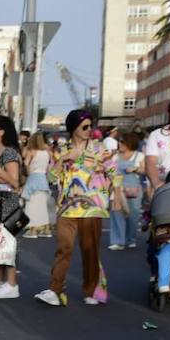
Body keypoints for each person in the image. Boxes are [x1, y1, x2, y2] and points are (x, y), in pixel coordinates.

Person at [36, 109, 118, 307]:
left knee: (90, 250)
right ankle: (55, 290)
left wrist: (117, 196)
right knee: (63, 248)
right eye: (85, 127)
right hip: (67, 207)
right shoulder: (61, 150)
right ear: (74, 128)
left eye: (91, 126)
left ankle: (91, 290)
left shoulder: (99, 149)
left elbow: (115, 173)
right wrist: (63, 160)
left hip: (93, 207)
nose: (90, 130)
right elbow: (50, 178)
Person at [0, 115, 23, 299]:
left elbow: (14, 180)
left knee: (9, 243)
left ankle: (11, 282)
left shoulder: (9, 153)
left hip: (8, 203)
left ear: (2, 132)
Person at [110, 130, 146, 250]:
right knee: (116, 213)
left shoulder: (139, 155)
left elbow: (144, 170)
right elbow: (110, 171)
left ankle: (131, 239)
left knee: (133, 215)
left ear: (129, 143)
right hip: (118, 189)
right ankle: (118, 241)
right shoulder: (115, 157)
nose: (119, 144)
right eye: (119, 142)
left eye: (122, 142)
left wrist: (135, 169)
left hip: (133, 190)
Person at [21, 131, 53, 237]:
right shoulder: (47, 152)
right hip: (43, 179)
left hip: (33, 178)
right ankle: (47, 230)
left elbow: (26, 164)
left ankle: (32, 230)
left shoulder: (32, 151)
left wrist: (28, 171)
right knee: (42, 206)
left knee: (31, 205)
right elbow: (49, 166)